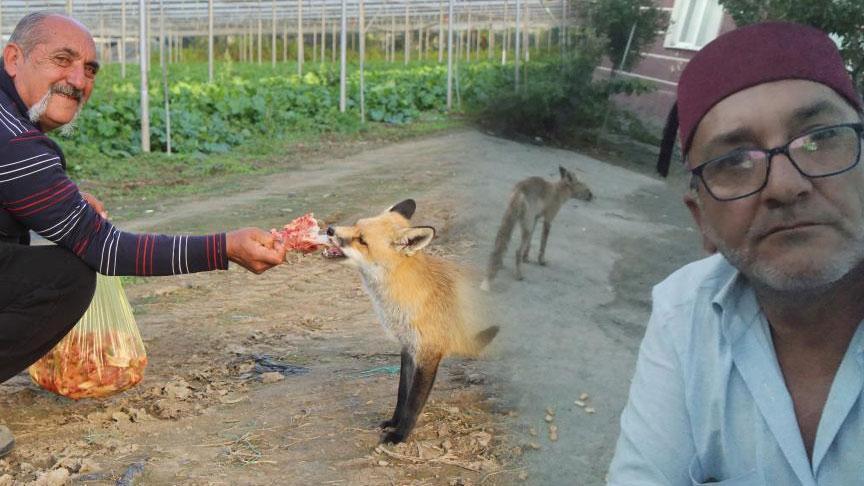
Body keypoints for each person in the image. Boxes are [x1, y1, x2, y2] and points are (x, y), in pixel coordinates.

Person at [0, 13, 288, 455]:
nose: (78, 79)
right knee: (68, 275)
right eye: (63, 59)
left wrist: (62, 200)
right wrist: (225, 247)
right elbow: (105, 248)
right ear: (14, 58)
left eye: (90, 68)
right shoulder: (15, 142)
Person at [608, 21, 864, 484]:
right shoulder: (684, 315)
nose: (786, 187)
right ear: (701, 219)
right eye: (735, 162)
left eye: (820, 139)